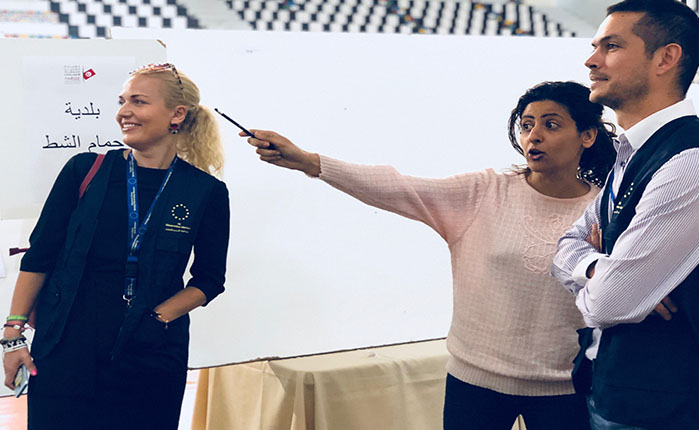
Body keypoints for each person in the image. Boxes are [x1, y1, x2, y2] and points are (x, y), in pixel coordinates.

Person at [245, 81, 615, 429]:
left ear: (587, 136)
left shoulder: (606, 210)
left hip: (567, 387)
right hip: (475, 382)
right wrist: (310, 162)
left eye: (551, 125)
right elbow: (398, 187)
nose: (534, 135)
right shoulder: (484, 192)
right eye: (527, 125)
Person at [1, 63, 230, 430]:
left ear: (177, 114)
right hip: (67, 349)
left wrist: (158, 319)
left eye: (138, 101)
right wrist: (13, 336)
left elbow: (209, 279)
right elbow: (40, 255)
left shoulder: (205, 191)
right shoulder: (84, 170)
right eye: (122, 101)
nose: (124, 111)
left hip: (150, 357)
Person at [551, 1, 699, 429]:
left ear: (666, 58)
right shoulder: (633, 152)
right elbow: (565, 248)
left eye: (611, 46)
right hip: (614, 389)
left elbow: (609, 303)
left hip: (670, 410)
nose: (591, 60)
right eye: (595, 47)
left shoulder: (692, 162)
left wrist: (615, 284)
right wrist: (601, 268)